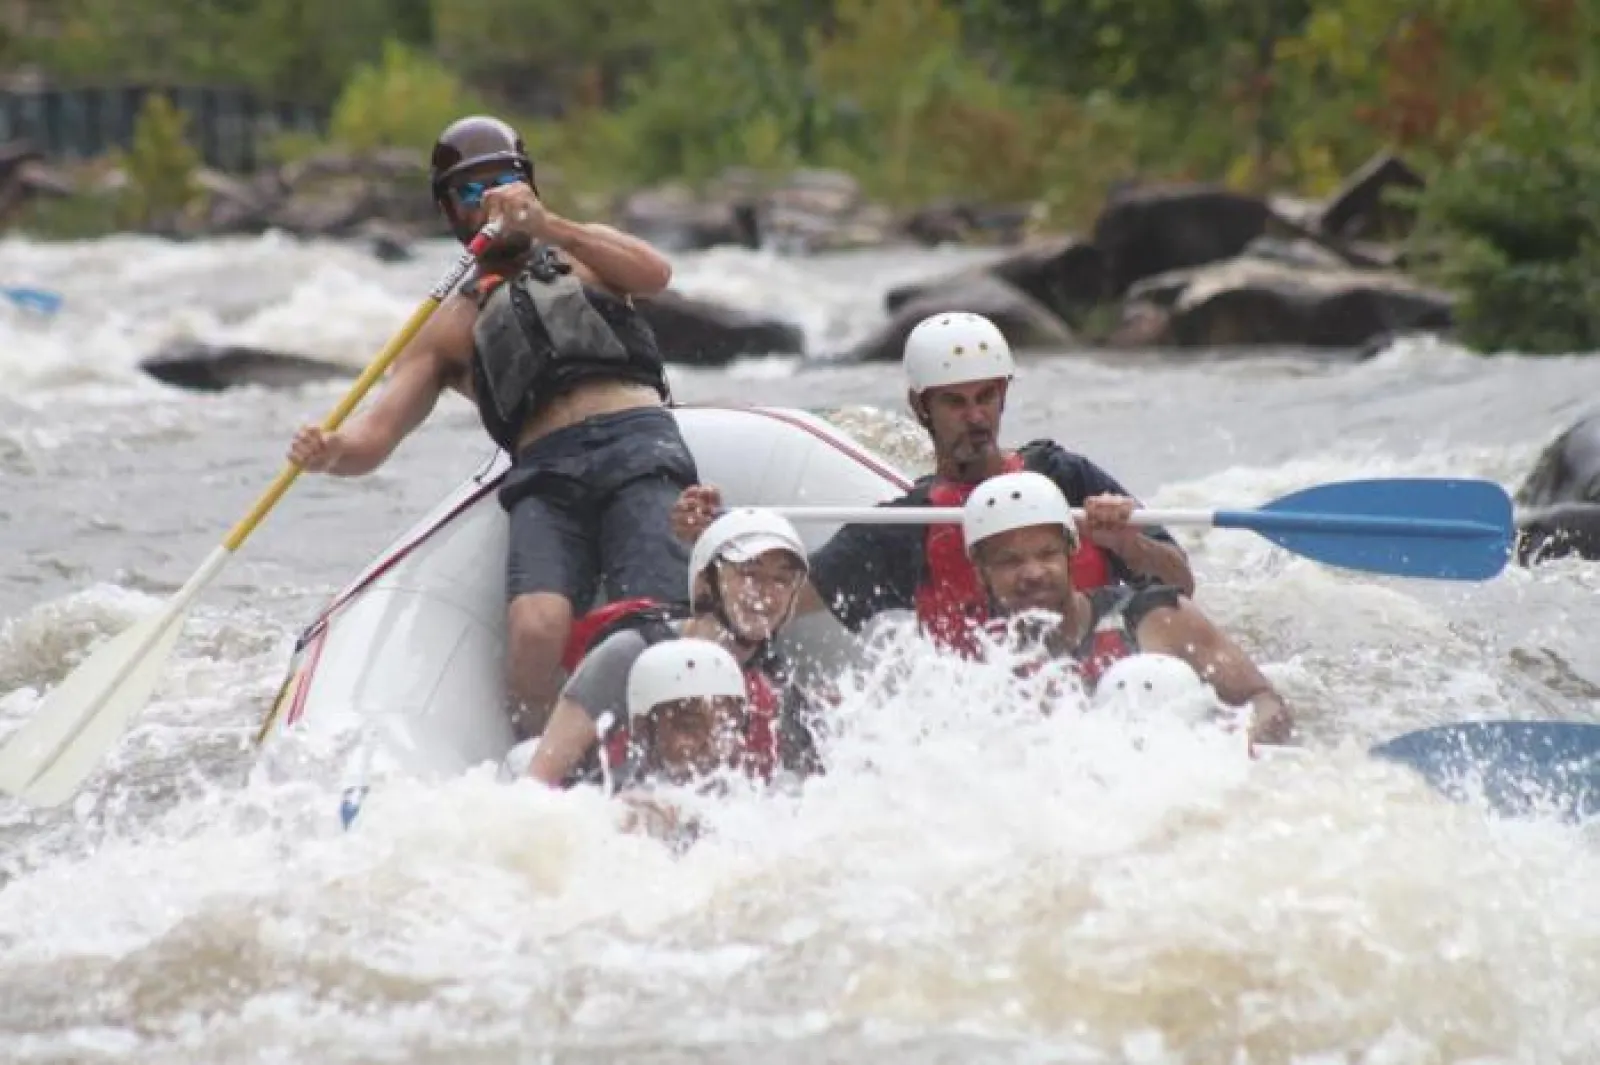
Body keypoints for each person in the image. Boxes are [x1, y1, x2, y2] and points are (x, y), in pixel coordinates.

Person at [286, 115, 696, 739]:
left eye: (504, 182)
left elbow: (656, 274)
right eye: (472, 192)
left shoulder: (583, 251)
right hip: (545, 473)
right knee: (535, 629)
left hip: (637, 439)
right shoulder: (445, 325)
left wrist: (549, 225)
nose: (492, 200)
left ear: (529, 184)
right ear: (451, 211)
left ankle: (674, 739)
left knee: (651, 618)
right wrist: (329, 451)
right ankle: (547, 761)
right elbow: (372, 442)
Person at [672, 311, 1195, 655]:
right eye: (955, 401)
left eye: (986, 397)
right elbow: (772, 608)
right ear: (921, 407)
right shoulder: (902, 526)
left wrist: (1128, 543)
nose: (975, 418)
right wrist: (713, 546)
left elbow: (1182, 584)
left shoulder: (1066, 477)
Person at [960, 470, 1292, 745]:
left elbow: (1265, 702)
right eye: (1010, 561)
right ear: (980, 573)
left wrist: (1229, 750)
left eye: (1047, 554)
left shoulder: (1153, 617)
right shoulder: (987, 669)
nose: (1032, 573)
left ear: (1071, 551)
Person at [526, 507, 812, 787]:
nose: (765, 593)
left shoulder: (778, 687)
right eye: (749, 573)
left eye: (781, 580)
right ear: (706, 583)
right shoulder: (627, 655)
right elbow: (539, 779)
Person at [610, 638, 751, 846]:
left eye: (724, 725)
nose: (711, 743)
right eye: (689, 725)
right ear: (643, 732)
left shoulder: (753, 803)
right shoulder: (621, 802)